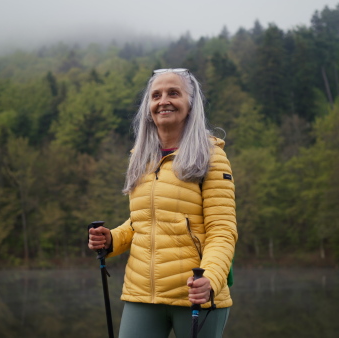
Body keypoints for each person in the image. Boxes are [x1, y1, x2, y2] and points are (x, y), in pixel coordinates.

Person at [88, 68, 237, 338]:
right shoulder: (141, 159)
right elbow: (141, 223)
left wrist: (211, 280)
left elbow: (222, 230)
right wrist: (111, 239)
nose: (163, 100)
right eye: (155, 95)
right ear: (148, 107)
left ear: (191, 104)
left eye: (173, 93)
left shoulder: (212, 157)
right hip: (142, 293)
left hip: (196, 295)